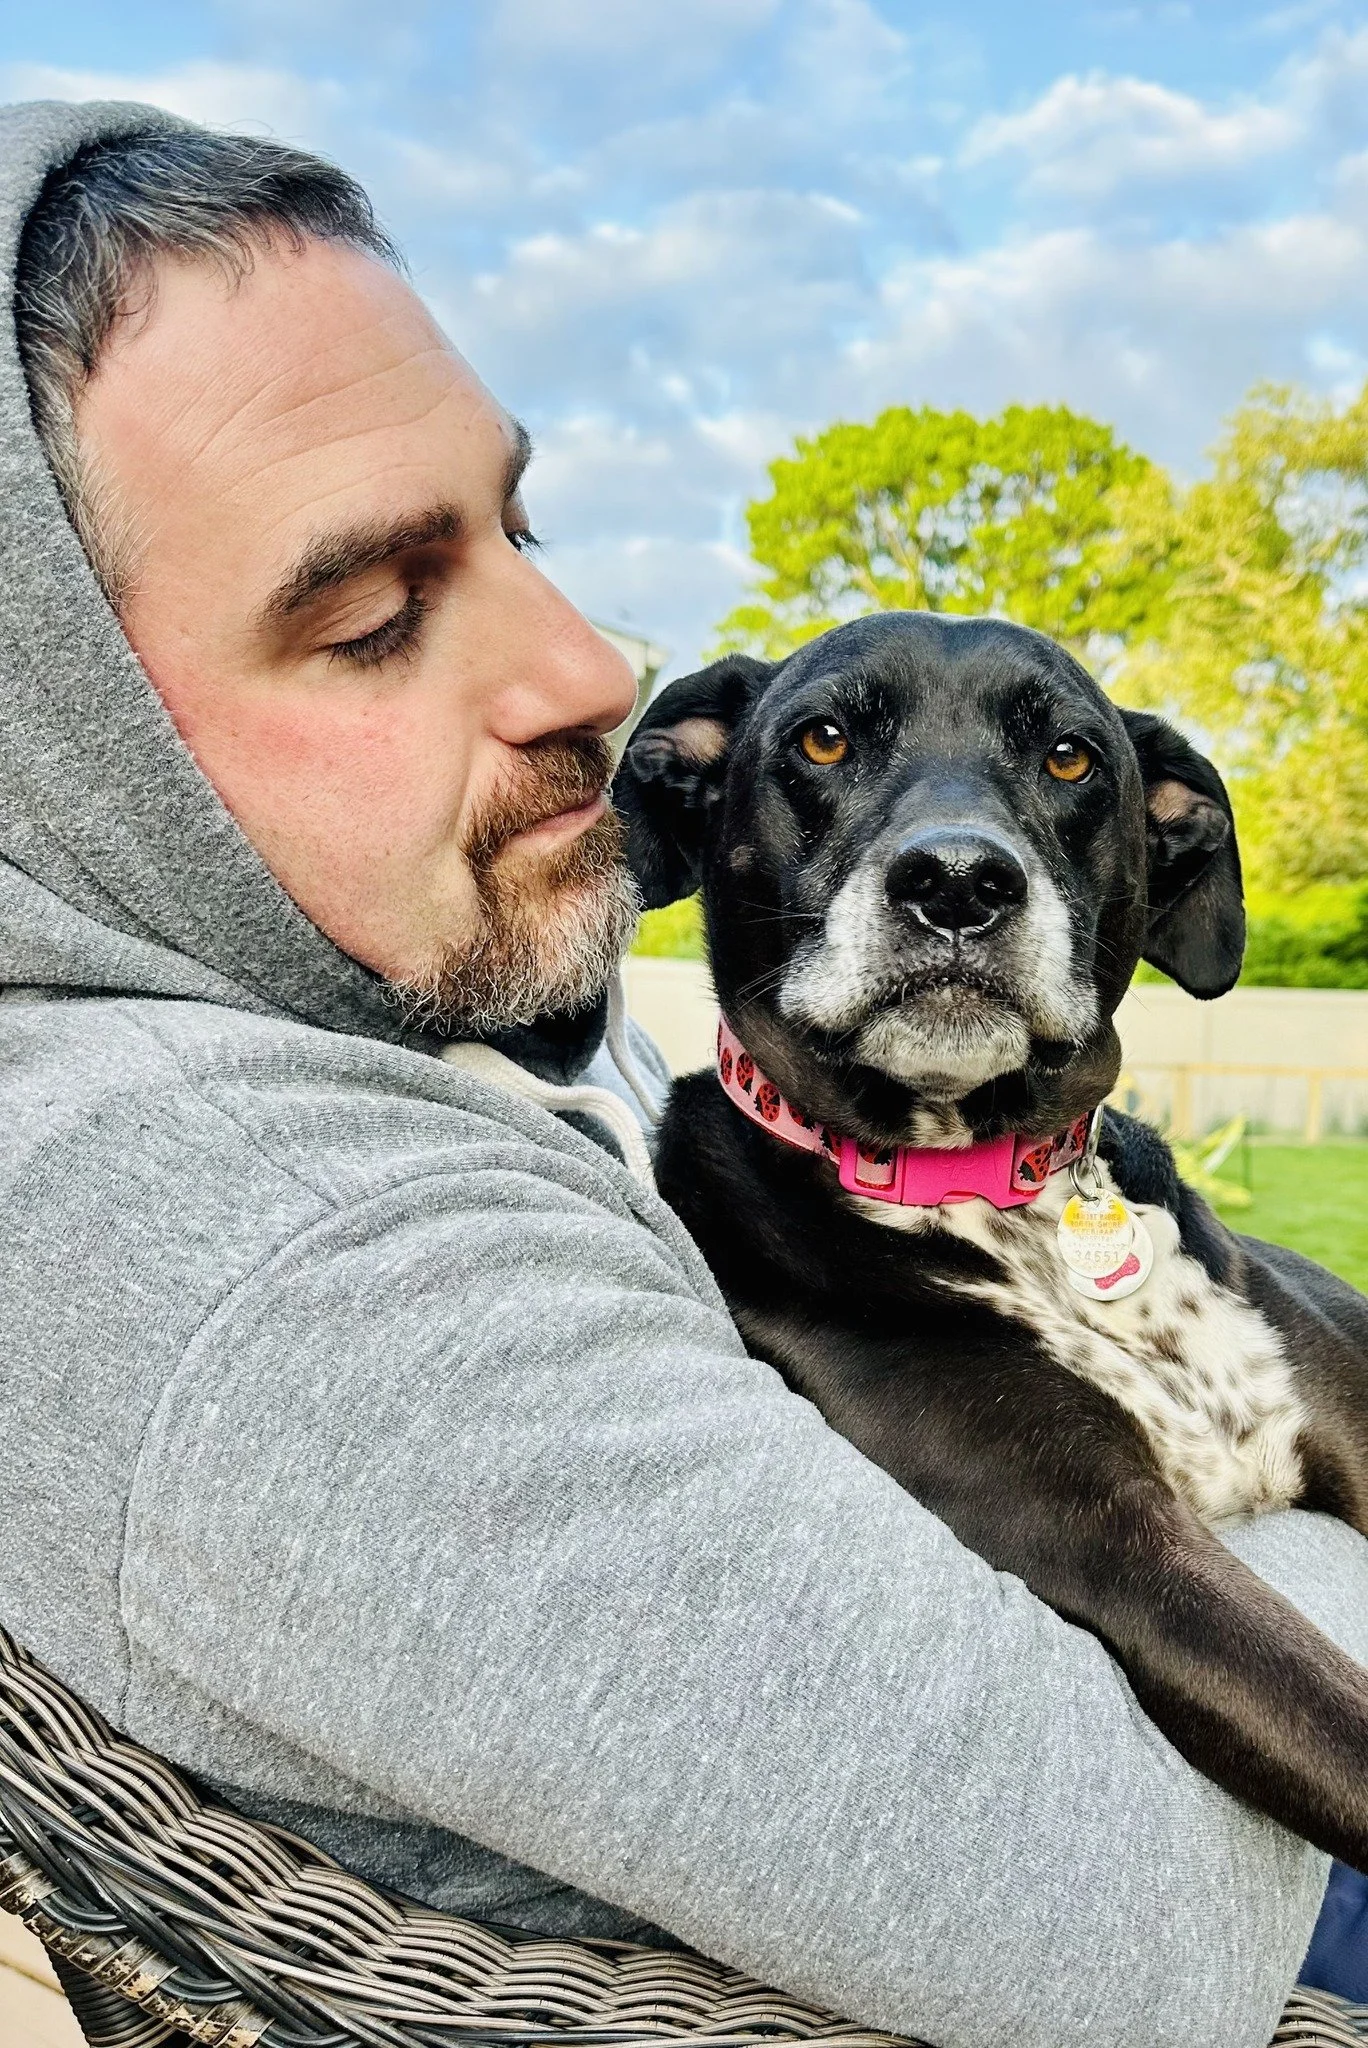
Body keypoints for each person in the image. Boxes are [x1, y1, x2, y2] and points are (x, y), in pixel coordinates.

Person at [0, 98, 1364, 2048]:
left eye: (517, 531)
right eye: (374, 618)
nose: (588, 673)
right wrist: (1272, 1434)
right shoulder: (273, 1253)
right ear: (56, 743)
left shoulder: (392, 1033)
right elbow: (1125, 1938)